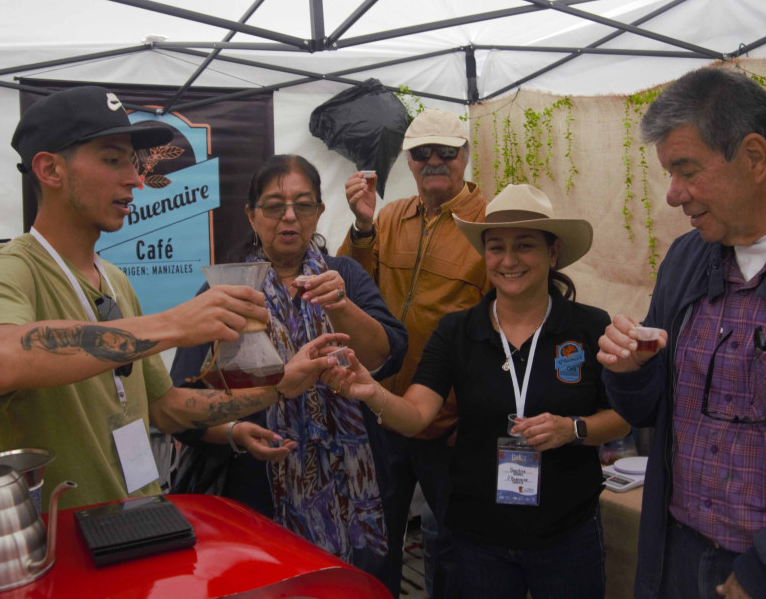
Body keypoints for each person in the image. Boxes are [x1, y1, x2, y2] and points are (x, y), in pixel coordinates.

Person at [0, 86, 338, 510]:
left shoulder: (116, 281)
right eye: (112, 160)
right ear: (51, 170)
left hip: (138, 517)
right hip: (61, 543)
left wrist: (278, 388)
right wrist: (176, 324)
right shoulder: (12, 268)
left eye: (133, 162)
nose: (135, 178)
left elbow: (165, 409)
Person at [597, 67, 766, 599]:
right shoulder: (685, 260)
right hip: (678, 555)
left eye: (686, 170)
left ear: (755, 158)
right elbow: (650, 412)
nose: (673, 195)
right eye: (669, 173)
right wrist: (631, 372)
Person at [328, 183, 629, 599]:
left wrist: (572, 429)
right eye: (495, 248)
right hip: (477, 537)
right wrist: (372, 392)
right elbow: (416, 413)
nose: (508, 261)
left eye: (524, 246)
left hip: (567, 533)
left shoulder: (590, 327)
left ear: (553, 252)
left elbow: (620, 417)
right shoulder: (457, 331)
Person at [169, 154, 408, 584]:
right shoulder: (228, 289)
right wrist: (232, 432)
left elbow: (385, 357)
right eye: (274, 205)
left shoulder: (344, 275)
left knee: (357, 587)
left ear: (319, 212)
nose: (289, 217)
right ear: (251, 215)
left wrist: (340, 306)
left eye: (303, 203)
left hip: (356, 490)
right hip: (258, 492)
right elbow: (183, 401)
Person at [337, 108, 490, 598]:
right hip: (382, 408)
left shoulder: (489, 223)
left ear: (465, 156)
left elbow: (500, 324)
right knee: (378, 530)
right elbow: (352, 288)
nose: (435, 161)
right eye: (423, 153)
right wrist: (362, 227)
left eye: (447, 151)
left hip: (448, 417)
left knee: (449, 540)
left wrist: (475, 410)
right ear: (409, 159)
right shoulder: (389, 215)